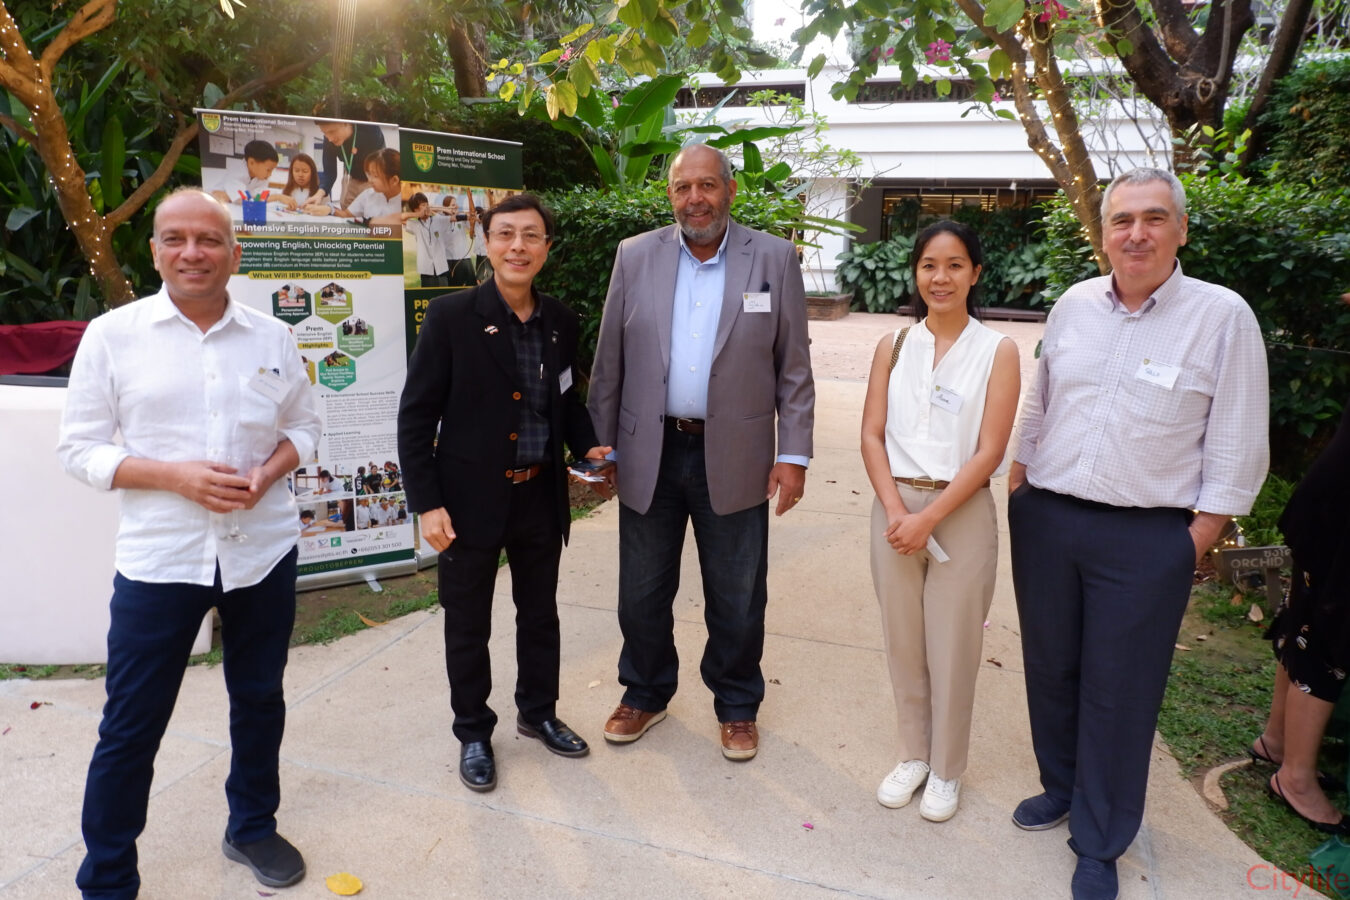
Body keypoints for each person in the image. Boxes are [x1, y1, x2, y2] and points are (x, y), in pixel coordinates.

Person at [1008, 167, 1268, 900]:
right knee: (1051, 669)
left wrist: (1195, 538)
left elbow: (1238, 440)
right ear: (1103, 233)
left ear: (1180, 229)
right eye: (1122, 220)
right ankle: (1061, 786)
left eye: (1154, 218)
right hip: (1049, 519)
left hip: (1147, 538)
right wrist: (1020, 482)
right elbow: (1041, 401)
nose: (1137, 234)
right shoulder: (1074, 304)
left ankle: (1099, 840)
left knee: (1118, 693)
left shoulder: (1221, 316)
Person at [57, 189, 321, 899]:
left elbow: (304, 428)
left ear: (235, 252)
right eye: (175, 239)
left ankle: (252, 827)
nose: (192, 252)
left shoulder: (273, 337)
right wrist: (172, 476)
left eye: (209, 239)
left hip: (261, 551)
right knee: (131, 722)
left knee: (259, 697)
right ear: (154, 252)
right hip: (161, 560)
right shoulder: (113, 336)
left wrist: (268, 473)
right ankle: (108, 874)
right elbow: (78, 449)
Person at [587, 144, 815, 761]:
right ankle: (645, 692)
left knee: (738, 595)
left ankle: (737, 705)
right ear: (670, 195)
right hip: (649, 451)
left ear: (730, 190)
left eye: (708, 185)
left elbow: (793, 368)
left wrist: (794, 454)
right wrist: (600, 446)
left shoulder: (773, 257)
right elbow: (609, 360)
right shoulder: (635, 255)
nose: (696, 199)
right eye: (683, 187)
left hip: (737, 454)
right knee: (641, 591)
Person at [397, 193, 611, 793]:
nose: (518, 246)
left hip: (539, 497)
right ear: (487, 243)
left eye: (531, 235)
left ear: (546, 247)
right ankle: (473, 731)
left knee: (540, 616)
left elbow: (565, 399)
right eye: (506, 234)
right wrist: (427, 503)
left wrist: (588, 446)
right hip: (467, 502)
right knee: (468, 624)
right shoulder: (451, 317)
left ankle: (538, 713)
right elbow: (416, 418)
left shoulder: (561, 320)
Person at [860, 221, 1020, 822]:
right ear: (916, 272)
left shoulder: (997, 350)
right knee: (903, 641)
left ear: (975, 273)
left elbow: (990, 450)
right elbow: (872, 434)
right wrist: (897, 512)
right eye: (929, 264)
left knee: (953, 647)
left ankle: (947, 768)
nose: (941, 277)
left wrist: (928, 517)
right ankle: (913, 755)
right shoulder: (894, 345)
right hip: (895, 511)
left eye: (955, 265)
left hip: (960, 510)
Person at [1250, 295, 1350, 834]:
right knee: (1331, 638)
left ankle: (1278, 741)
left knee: (1306, 624)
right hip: (1339, 512)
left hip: (1328, 501)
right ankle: (1296, 777)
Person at [307, 149, 402, 226]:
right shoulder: (368, 194)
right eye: (369, 174)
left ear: (394, 180)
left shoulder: (406, 203)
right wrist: (330, 209)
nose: (369, 180)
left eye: (375, 176)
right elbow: (346, 215)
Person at [316, 119, 385, 210]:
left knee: (371, 210)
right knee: (346, 207)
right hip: (351, 177)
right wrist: (319, 194)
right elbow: (329, 173)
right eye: (325, 133)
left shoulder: (370, 130)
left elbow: (381, 165)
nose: (330, 139)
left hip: (372, 178)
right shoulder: (328, 141)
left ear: (345, 122)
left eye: (332, 131)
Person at [403, 192, 453, 287]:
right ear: (416, 209)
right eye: (423, 205)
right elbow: (400, 218)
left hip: (441, 269)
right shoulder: (415, 225)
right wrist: (418, 214)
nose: (426, 207)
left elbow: (454, 218)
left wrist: (436, 209)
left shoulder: (437, 220)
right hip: (426, 270)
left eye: (427, 204)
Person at [210, 139, 278, 205]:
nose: (270, 174)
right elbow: (244, 200)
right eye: (268, 170)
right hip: (214, 203)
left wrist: (230, 197)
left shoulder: (262, 177)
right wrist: (277, 197)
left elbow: (258, 198)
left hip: (236, 206)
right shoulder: (236, 172)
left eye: (272, 170)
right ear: (251, 162)